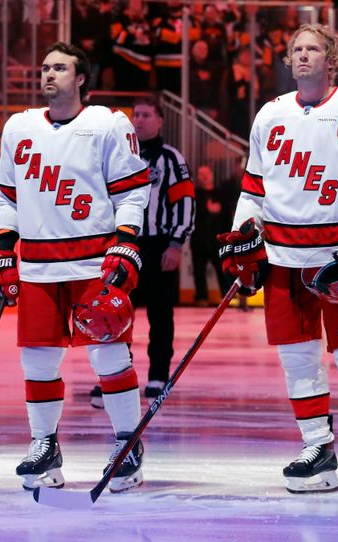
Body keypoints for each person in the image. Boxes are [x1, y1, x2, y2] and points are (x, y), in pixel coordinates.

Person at [218, 24, 338, 496]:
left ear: (331, 58)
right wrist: (244, 237)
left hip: (337, 257)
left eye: (313, 48)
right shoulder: (270, 114)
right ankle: (317, 446)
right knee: (298, 361)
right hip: (281, 259)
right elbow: (254, 187)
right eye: (296, 49)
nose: (303, 56)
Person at [0, 41, 150, 494]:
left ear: (81, 78)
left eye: (59, 68)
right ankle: (45, 445)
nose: (48, 75)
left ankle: (127, 445)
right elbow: (7, 196)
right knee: (36, 358)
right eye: (44, 68)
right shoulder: (18, 128)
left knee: (109, 355)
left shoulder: (107, 124)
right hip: (38, 264)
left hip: (93, 261)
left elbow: (133, 190)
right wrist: (4, 247)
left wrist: (127, 242)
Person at [128, 94, 195, 400]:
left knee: (160, 315)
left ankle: (157, 376)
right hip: (125, 246)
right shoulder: (121, 156)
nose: (139, 120)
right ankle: (118, 375)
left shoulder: (171, 158)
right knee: (117, 314)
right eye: (136, 115)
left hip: (159, 246)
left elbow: (185, 202)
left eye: (145, 115)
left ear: (159, 120)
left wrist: (176, 243)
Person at [191, 165, 228, 306]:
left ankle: (227, 297)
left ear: (212, 175)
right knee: (198, 271)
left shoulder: (220, 194)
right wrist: (207, 210)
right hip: (199, 240)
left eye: (206, 173)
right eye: (201, 174)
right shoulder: (194, 195)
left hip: (218, 240)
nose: (204, 176)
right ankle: (201, 297)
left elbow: (227, 217)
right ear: (198, 178)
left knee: (222, 270)